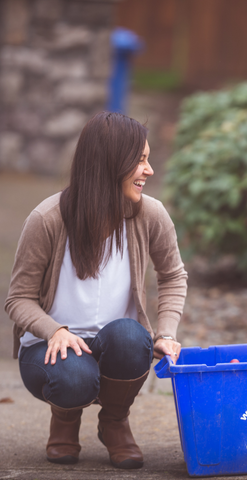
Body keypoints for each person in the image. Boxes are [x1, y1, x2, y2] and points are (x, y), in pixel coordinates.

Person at [5, 111, 188, 469]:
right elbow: (18, 298)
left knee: (132, 337)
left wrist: (165, 333)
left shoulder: (150, 214)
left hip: (115, 345)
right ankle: (65, 419)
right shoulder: (47, 219)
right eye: (140, 160)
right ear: (109, 163)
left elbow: (173, 275)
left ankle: (115, 421)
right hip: (49, 351)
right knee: (75, 375)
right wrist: (53, 330)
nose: (149, 171)